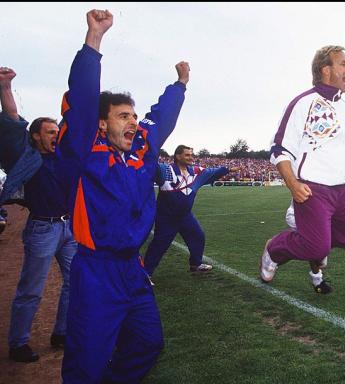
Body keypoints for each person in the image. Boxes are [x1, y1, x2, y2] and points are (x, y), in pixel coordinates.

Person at [57, 10, 188, 382]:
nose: (132, 122)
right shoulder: (85, 153)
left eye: (132, 115)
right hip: (96, 271)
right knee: (88, 360)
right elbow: (82, 103)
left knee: (148, 342)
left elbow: (159, 119)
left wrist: (179, 85)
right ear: (102, 123)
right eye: (122, 116)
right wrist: (94, 41)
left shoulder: (141, 152)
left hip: (133, 268)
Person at [260, 45, 345, 294]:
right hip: (314, 190)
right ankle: (274, 249)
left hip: (343, 191)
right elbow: (279, 148)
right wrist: (292, 183)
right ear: (326, 69)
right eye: (343, 64)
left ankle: (315, 237)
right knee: (316, 249)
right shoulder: (303, 103)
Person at [1, 67, 77, 363]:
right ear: (34, 137)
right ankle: (18, 343)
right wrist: (6, 87)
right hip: (42, 229)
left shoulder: (62, 157)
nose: (56, 136)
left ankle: (62, 333)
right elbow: (10, 121)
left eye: (58, 132)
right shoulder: (27, 156)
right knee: (31, 289)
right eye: (50, 132)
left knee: (75, 282)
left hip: (68, 229)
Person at [143, 145, 239, 279]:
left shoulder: (196, 172)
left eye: (191, 155)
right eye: (187, 155)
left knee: (198, 236)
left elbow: (212, 172)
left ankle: (196, 264)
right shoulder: (165, 170)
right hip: (167, 217)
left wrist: (227, 169)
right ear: (178, 156)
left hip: (185, 216)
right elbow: (147, 169)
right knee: (159, 245)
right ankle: (145, 273)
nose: (191, 157)